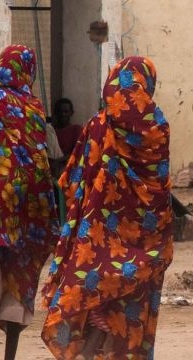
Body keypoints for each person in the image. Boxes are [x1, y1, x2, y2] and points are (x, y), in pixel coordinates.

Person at [41, 56, 173, 359]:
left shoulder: (98, 126)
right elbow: (160, 183)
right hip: (148, 242)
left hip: (99, 240)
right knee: (134, 314)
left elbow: (73, 180)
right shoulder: (158, 126)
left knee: (93, 299)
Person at [0, 44, 59, 360]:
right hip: (27, 212)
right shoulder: (34, 108)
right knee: (17, 284)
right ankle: (9, 356)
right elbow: (43, 161)